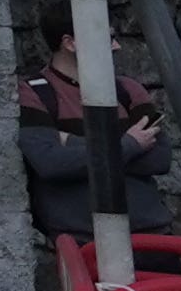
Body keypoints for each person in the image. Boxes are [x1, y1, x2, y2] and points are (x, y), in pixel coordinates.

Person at [12, 54, 172, 260]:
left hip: (153, 238)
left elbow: (159, 158)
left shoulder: (127, 89)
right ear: (69, 42)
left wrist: (71, 142)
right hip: (82, 242)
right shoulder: (35, 92)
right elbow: (50, 163)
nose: (117, 46)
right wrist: (130, 145)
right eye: (110, 37)